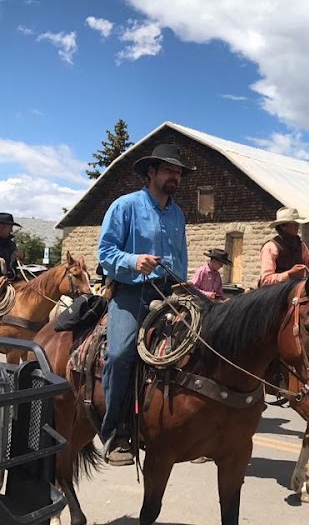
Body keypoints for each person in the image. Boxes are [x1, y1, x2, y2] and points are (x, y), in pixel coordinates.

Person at [97, 143, 194, 466]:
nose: (175, 177)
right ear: (151, 172)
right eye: (169, 170)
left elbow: (180, 256)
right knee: (121, 353)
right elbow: (106, 253)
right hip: (131, 292)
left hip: (170, 293)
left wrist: (184, 285)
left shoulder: (177, 212)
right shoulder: (125, 206)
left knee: (201, 346)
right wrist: (134, 260)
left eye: (179, 172)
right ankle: (115, 432)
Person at [258, 207, 309, 287]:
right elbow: (266, 280)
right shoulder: (270, 247)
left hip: (295, 291)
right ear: (283, 226)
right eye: (293, 223)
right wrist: (289, 274)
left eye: (297, 223)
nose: (297, 226)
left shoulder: (301, 246)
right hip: (274, 294)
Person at [0, 212, 23, 292]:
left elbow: (14, 264)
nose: (11, 230)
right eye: (10, 227)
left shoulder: (11, 244)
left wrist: (20, 257)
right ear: (1, 227)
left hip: (12, 279)